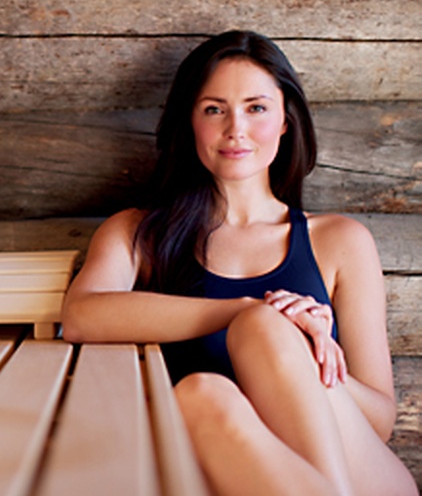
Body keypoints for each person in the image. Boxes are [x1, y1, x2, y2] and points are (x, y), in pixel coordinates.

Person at [61, 30, 417, 495]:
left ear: (285, 120)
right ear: (191, 121)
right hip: (234, 472)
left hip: (364, 476)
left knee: (263, 330)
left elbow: (380, 422)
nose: (236, 129)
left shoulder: (339, 241)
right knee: (199, 394)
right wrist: (244, 309)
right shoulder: (140, 233)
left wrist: (307, 358)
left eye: (256, 108)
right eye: (214, 109)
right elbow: (81, 316)